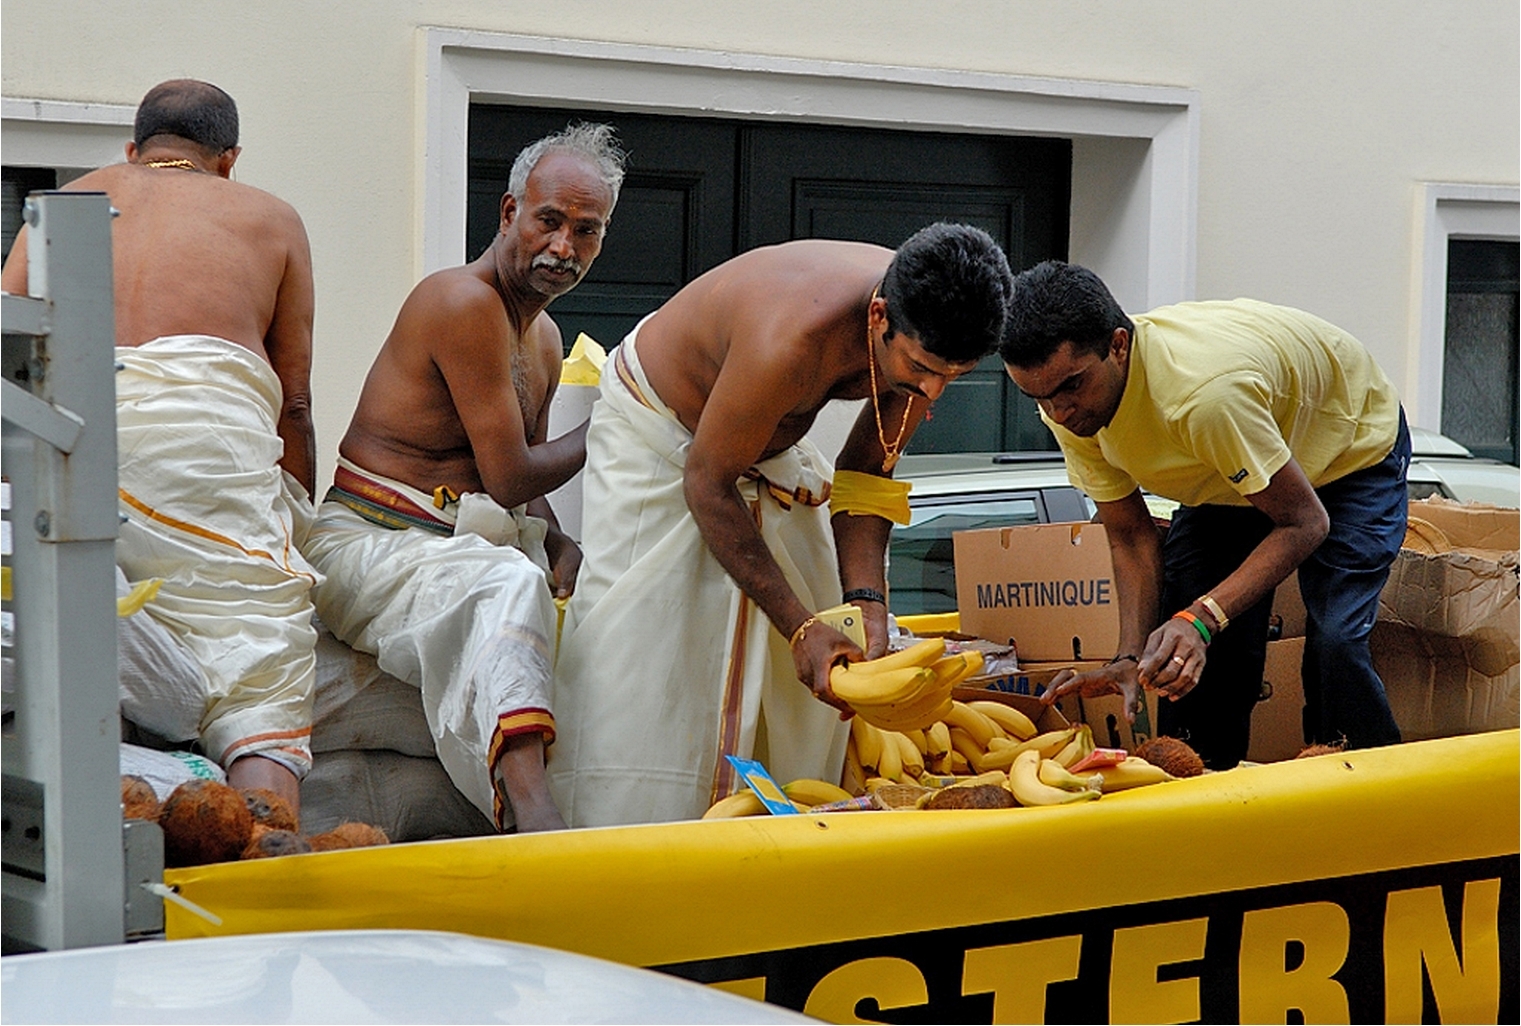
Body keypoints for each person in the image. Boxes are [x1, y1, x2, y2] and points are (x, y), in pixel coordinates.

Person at [550, 223, 1013, 826]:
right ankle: (620, 833)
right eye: (923, 369)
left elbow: (866, 474)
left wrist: (867, 602)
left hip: (746, 452)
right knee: (650, 657)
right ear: (878, 316)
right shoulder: (791, 338)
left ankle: (773, 835)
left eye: (954, 374)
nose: (932, 391)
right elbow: (707, 483)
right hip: (660, 439)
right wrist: (799, 628)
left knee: (816, 650)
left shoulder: (927, 325)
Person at [1, 79, 321, 813]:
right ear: (229, 159)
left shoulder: (61, 205)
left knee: (84, 633)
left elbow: (7, 355)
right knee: (258, 665)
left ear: (132, 150)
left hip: (65, 446)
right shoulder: (270, 216)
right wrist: (291, 528)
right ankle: (262, 844)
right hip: (201, 451)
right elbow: (295, 402)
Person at [301, 123, 624, 833]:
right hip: (371, 544)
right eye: (548, 221)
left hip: (449, 551)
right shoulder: (461, 301)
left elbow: (521, 481)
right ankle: (535, 817)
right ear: (509, 213)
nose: (563, 248)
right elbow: (508, 478)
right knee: (504, 583)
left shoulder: (544, 337)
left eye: (586, 231)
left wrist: (559, 542)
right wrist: (623, 412)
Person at [1001, 261, 1407, 769]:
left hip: (1348, 450)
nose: (1058, 413)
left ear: (1118, 346)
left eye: (1071, 387)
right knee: (1184, 653)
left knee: (1335, 643)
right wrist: (1129, 657)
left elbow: (1306, 523)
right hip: (1232, 468)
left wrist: (1204, 616)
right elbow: (1131, 536)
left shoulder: (1203, 397)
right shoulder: (1070, 408)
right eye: (1038, 397)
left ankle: (1367, 785)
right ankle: (1204, 786)